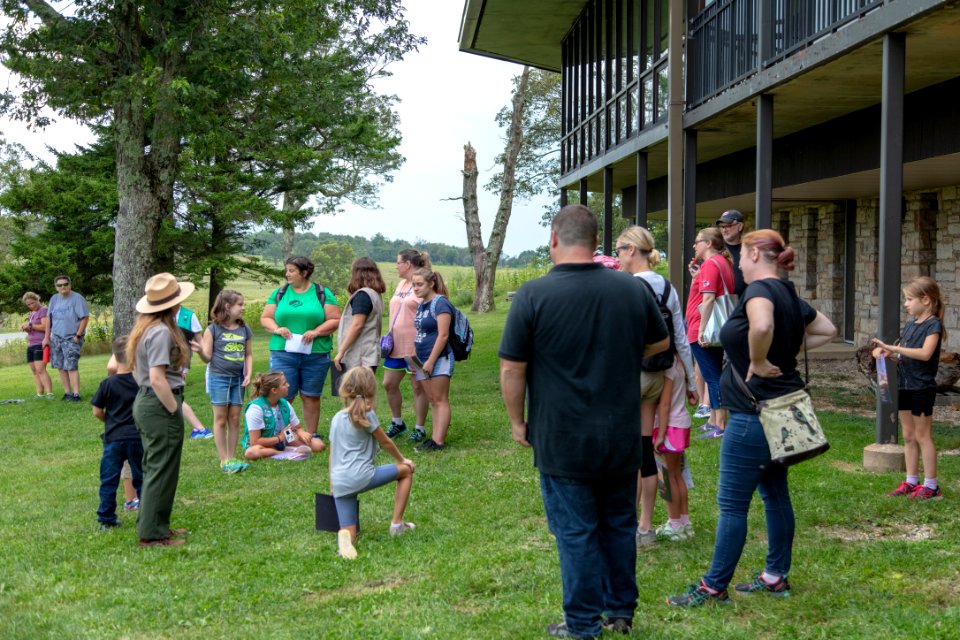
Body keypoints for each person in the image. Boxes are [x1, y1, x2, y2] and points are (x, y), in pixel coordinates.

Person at [500, 205, 669, 640]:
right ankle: (619, 612)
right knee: (618, 523)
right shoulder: (631, 290)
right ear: (598, 244)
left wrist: (517, 422)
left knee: (575, 532)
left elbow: (511, 368)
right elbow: (661, 340)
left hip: (560, 434)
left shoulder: (533, 294)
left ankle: (581, 625)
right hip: (620, 431)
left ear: (554, 239)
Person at [667, 229, 836, 607]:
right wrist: (784, 346)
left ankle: (713, 587)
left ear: (756, 254)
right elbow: (828, 329)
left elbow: (760, 326)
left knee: (731, 505)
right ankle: (776, 577)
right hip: (779, 410)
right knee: (775, 495)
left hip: (752, 413)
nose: (737, 263)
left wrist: (759, 360)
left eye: (740, 256)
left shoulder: (759, 293)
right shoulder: (788, 293)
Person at [614, 225, 698, 550]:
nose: (617, 255)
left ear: (632, 250)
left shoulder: (625, 286)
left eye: (620, 248)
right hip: (660, 375)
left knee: (625, 451)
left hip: (629, 375)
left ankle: (624, 522)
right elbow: (680, 337)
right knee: (646, 451)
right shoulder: (667, 287)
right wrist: (690, 382)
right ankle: (646, 527)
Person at [127, 272, 196, 548]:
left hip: (149, 403)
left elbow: (135, 372)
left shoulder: (147, 329)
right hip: (160, 405)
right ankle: (151, 534)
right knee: (160, 468)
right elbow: (157, 378)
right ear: (173, 305)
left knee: (159, 466)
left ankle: (157, 524)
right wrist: (172, 409)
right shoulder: (160, 332)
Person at [329, 366, 416, 560]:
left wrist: (332, 483)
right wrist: (402, 460)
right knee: (406, 471)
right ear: (371, 389)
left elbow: (332, 454)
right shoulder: (366, 414)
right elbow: (385, 441)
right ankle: (397, 524)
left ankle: (346, 540)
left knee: (351, 531)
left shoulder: (336, 418)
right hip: (361, 476)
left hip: (340, 482)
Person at [872, 276, 945, 500]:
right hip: (904, 386)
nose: (905, 304)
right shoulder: (911, 325)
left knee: (923, 436)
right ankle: (911, 481)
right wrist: (886, 354)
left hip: (921, 388)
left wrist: (893, 347)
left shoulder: (934, 325)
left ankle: (931, 486)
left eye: (909, 299)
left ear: (925, 300)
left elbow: (925, 354)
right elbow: (903, 357)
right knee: (909, 435)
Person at [260, 256, 340, 437]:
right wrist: (277, 329)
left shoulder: (322, 293)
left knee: (311, 395)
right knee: (282, 395)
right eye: (286, 270)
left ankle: (311, 435)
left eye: (291, 270)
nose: (287, 274)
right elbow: (266, 318)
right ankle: (282, 435)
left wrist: (316, 332)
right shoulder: (279, 293)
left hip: (316, 354)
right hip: (283, 353)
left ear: (304, 273)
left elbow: (335, 319)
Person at [195, 290, 253, 473]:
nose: (243, 308)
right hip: (218, 378)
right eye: (240, 304)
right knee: (220, 419)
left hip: (238, 380)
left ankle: (232, 457)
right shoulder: (212, 329)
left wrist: (248, 374)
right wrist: (199, 351)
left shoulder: (245, 329)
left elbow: (248, 354)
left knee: (234, 419)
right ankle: (224, 460)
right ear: (227, 307)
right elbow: (207, 358)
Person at [686, 227, 735, 438]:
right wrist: (698, 277)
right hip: (713, 326)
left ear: (708, 244)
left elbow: (708, 299)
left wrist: (702, 330)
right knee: (712, 372)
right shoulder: (721, 263)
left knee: (712, 375)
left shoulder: (710, 264)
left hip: (703, 327)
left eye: (697, 241)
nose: (694, 245)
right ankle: (713, 419)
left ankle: (720, 425)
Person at [91, 335, 144, 531]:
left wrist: (110, 421)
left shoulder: (108, 383)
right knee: (142, 478)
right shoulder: (141, 383)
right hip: (137, 437)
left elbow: (97, 410)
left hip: (113, 439)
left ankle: (106, 518)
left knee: (109, 479)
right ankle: (146, 516)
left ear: (115, 356)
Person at [382, 249, 431, 442]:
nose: (396, 266)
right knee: (388, 384)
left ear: (408, 264)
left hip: (415, 346)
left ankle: (419, 427)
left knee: (418, 386)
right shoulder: (402, 283)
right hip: (395, 345)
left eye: (398, 262)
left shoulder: (423, 283)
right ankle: (397, 422)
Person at [410, 266, 455, 452]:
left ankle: (438, 441)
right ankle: (434, 439)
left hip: (438, 358)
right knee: (431, 398)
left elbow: (443, 335)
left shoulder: (441, 304)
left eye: (420, 284)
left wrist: (430, 361)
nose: (416, 288)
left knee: (440, 399)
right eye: (413, 285)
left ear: (431, 283)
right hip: (422, 359)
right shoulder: (422, 304)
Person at [652, 355, 694, 541]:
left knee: (667, 478)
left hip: (669, 427)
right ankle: (685, 522)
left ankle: (675, 524)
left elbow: (665, 403)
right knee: (677, 475)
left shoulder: (667, 367)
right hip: (680, 423)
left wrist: (660, 433)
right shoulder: (679, 362)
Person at [242, 371, 325, 460]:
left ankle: (283, 450)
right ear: (274, 390)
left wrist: (301, 432)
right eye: (284, 384)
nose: (288, 385)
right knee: (251, 452)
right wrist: (279, 438)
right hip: (262, 444)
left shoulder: (284, 403)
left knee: (318, 445)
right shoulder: (256, 408)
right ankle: (284, 453)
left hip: (285, 439)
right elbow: (255, 442)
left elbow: (297, 427)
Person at [334, 257, 386, 374]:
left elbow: (357, 325)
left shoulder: (362, 296)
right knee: (364, 391)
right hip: (369, 353)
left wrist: (341, 351)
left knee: (357, 392)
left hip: (360, 356)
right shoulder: (374, 294)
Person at [47, 275, 89, 401]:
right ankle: (67, 393)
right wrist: (47, 336)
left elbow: (85, 318)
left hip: (71, 337)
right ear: (56, 287)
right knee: (60, 366)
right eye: (59, 285)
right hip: (56, 338)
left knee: (71, 366)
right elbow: (49, 319)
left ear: (70, 285)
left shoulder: (77, 298)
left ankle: (76, 394)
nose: (63, 287)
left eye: (65, 284)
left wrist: (78, 335)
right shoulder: (54, 299)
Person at [176, 306, 213, 441]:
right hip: (162, 360)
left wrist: (206, 355)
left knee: (174, 395)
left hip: (179, 362)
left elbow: (200, 339)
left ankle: (200, 428)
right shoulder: (159, 312)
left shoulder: (188, 315)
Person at [21, 292, 53, 399]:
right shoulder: (32, 314)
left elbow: (45, 327)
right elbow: (32, 329)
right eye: (28, 305)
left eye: (32, 303)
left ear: (37, 299)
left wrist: (30, 325)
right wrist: (26, 329)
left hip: (40, 343)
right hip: (31, 344)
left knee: (41, 369)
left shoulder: (43, 310)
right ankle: (39, 394)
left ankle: (49, 393)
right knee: (34, 371)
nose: (31, 306)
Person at [716, 210, 746, 297]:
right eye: (721, 227)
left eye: (728, 226)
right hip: (720, 306)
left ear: (740, 226)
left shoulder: (748, 250)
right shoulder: (716, 249)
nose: (724, 230)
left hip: (744, 305)